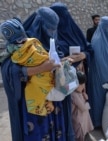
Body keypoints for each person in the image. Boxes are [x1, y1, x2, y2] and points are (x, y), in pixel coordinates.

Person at [0, 7, 63, 141]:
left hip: (51, 98)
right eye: (49, 29)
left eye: (54, 29)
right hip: (29, 103)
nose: (51, 33)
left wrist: (63, 63)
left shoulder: (46, 42)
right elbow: (9, 70)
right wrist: (40, 68)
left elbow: (56, 56)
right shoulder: (20, 43)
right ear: (39, 24)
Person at [50, 2, 93, 141]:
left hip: (79, 78)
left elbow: (89, 48)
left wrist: (84, 55)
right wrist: (66, 60)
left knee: (79, 107)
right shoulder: (51, 35)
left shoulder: (74, 31)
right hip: (64, 80)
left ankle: (80, 132)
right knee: (69, 109)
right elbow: (50, 58)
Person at [1, 18, 57, 117]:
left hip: (47, 95)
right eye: (48, 27)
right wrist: (41, 68)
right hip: (26, 103)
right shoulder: (9, 53)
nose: (51, 31)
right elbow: (11, 72)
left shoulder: (34, 43)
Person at [71, 71, 93, 141]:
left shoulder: (78, 92)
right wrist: (87, 103)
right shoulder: (74, 95)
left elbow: (85, 98)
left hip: (83, 115)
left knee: (85, 124)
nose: (83, 86)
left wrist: (84, 96)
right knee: (80, 131)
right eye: (81, 84)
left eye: (83, 84)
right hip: (78, 116)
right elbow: (83, 108)